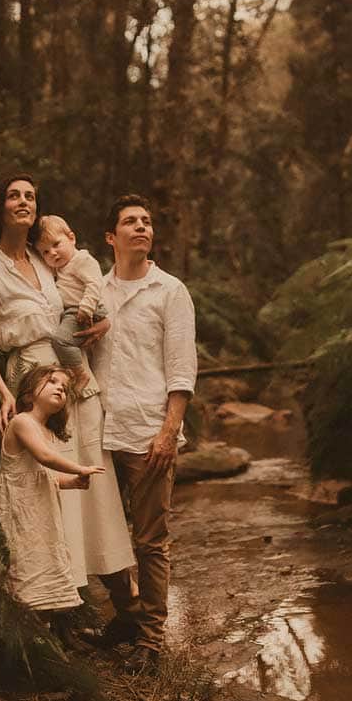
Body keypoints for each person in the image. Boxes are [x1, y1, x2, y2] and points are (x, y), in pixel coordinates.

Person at [0, 174, 135, 598]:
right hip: (30, 379)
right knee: (48, 481)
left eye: (30, 196)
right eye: (13, 195)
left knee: (90, 478)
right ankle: (60, 595)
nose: (23, 201)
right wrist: (6, 395)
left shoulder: (47, 260)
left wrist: (103, 322)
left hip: (71, 378)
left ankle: (115, 587)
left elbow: (87, 302)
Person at [89, 193, 197, 667]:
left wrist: (169, 430)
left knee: (149, 539)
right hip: (96, 430)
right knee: (102, 534)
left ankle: (151, 639)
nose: (141, 227)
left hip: (147, 431)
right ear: (111, 237)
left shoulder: (170, 291)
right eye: (130, 221)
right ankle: (127, 613)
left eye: (147, 222)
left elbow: (181, 366)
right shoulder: (94, 291)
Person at [0, 365, 103, 624]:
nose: (59, 388)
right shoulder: (21, 422)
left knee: (41, 568)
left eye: (64, 388)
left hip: (40, 516)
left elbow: (45, 476)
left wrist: (74, 481)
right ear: (29, 395)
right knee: (23, 565)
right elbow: (44, 458)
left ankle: (43, 631)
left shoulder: (46, 432)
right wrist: (79, 467)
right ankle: (26, 638)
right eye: (52, 381)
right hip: (19, 512)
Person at [35, 214, 109, 396]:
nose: (52, 253)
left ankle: (80, 374)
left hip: (83, 310)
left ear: (72, 238)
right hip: (73, 310)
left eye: (56, 244)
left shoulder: (81, 260)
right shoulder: (60, 268)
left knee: (60, 340)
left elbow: (95, 283)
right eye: (45, 252)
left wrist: (86, 307)